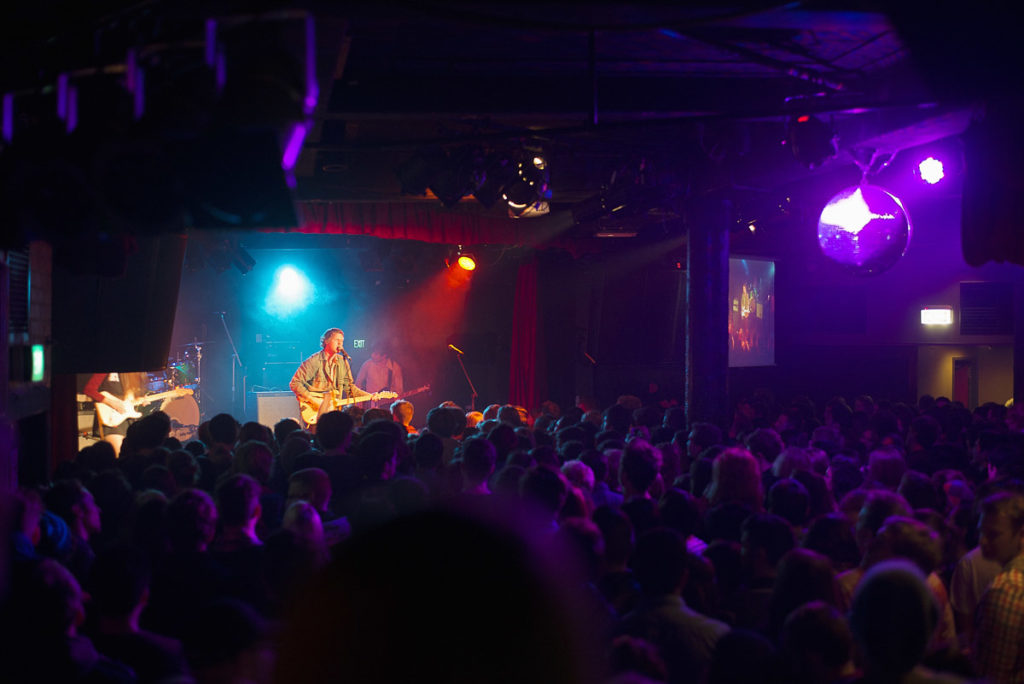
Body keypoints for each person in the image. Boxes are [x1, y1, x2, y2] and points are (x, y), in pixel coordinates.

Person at [290, 328, 371, 428]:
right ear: (326, 341)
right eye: (337, 340)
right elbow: (295, 383)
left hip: (334, 412)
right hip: (315, 411)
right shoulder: (314, 361)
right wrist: (313, 400)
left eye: (342, 341)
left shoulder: (342, 362)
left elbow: (350, 389)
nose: (340, 344)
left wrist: (370, 396)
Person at [83, 371, 151, 455]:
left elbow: (133, 396)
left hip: (128, 417)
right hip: (112, 417)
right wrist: (111, 403)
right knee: (118, 455)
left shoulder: (135, 371)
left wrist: (141, 399)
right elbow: (89, 390)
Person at [356, 342, 403, 408]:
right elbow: (358, 383)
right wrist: (359, 402)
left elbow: (399, 390)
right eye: (372, 352)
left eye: (376, 354)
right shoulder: (367, 364)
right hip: (370, 403)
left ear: (384, 355)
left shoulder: (394, 367)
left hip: (387, 405)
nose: (372, 355)